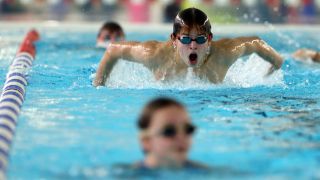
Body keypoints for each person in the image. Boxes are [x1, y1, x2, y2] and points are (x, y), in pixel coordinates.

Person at [94, 8, 283, 86]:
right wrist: (99, 87)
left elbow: (257, 43)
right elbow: (112, 50)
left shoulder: (225, 53)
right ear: (174, 39)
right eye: (185, 40)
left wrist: (274, 65)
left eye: (200, 40)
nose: (193, 46)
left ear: (209, 39)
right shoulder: (154, 55)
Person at [134, 97, 208, 170]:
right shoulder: (130, 175)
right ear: (146, 141)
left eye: (188, 129)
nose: (181, 137)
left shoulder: (203, 172)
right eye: (169, 131)